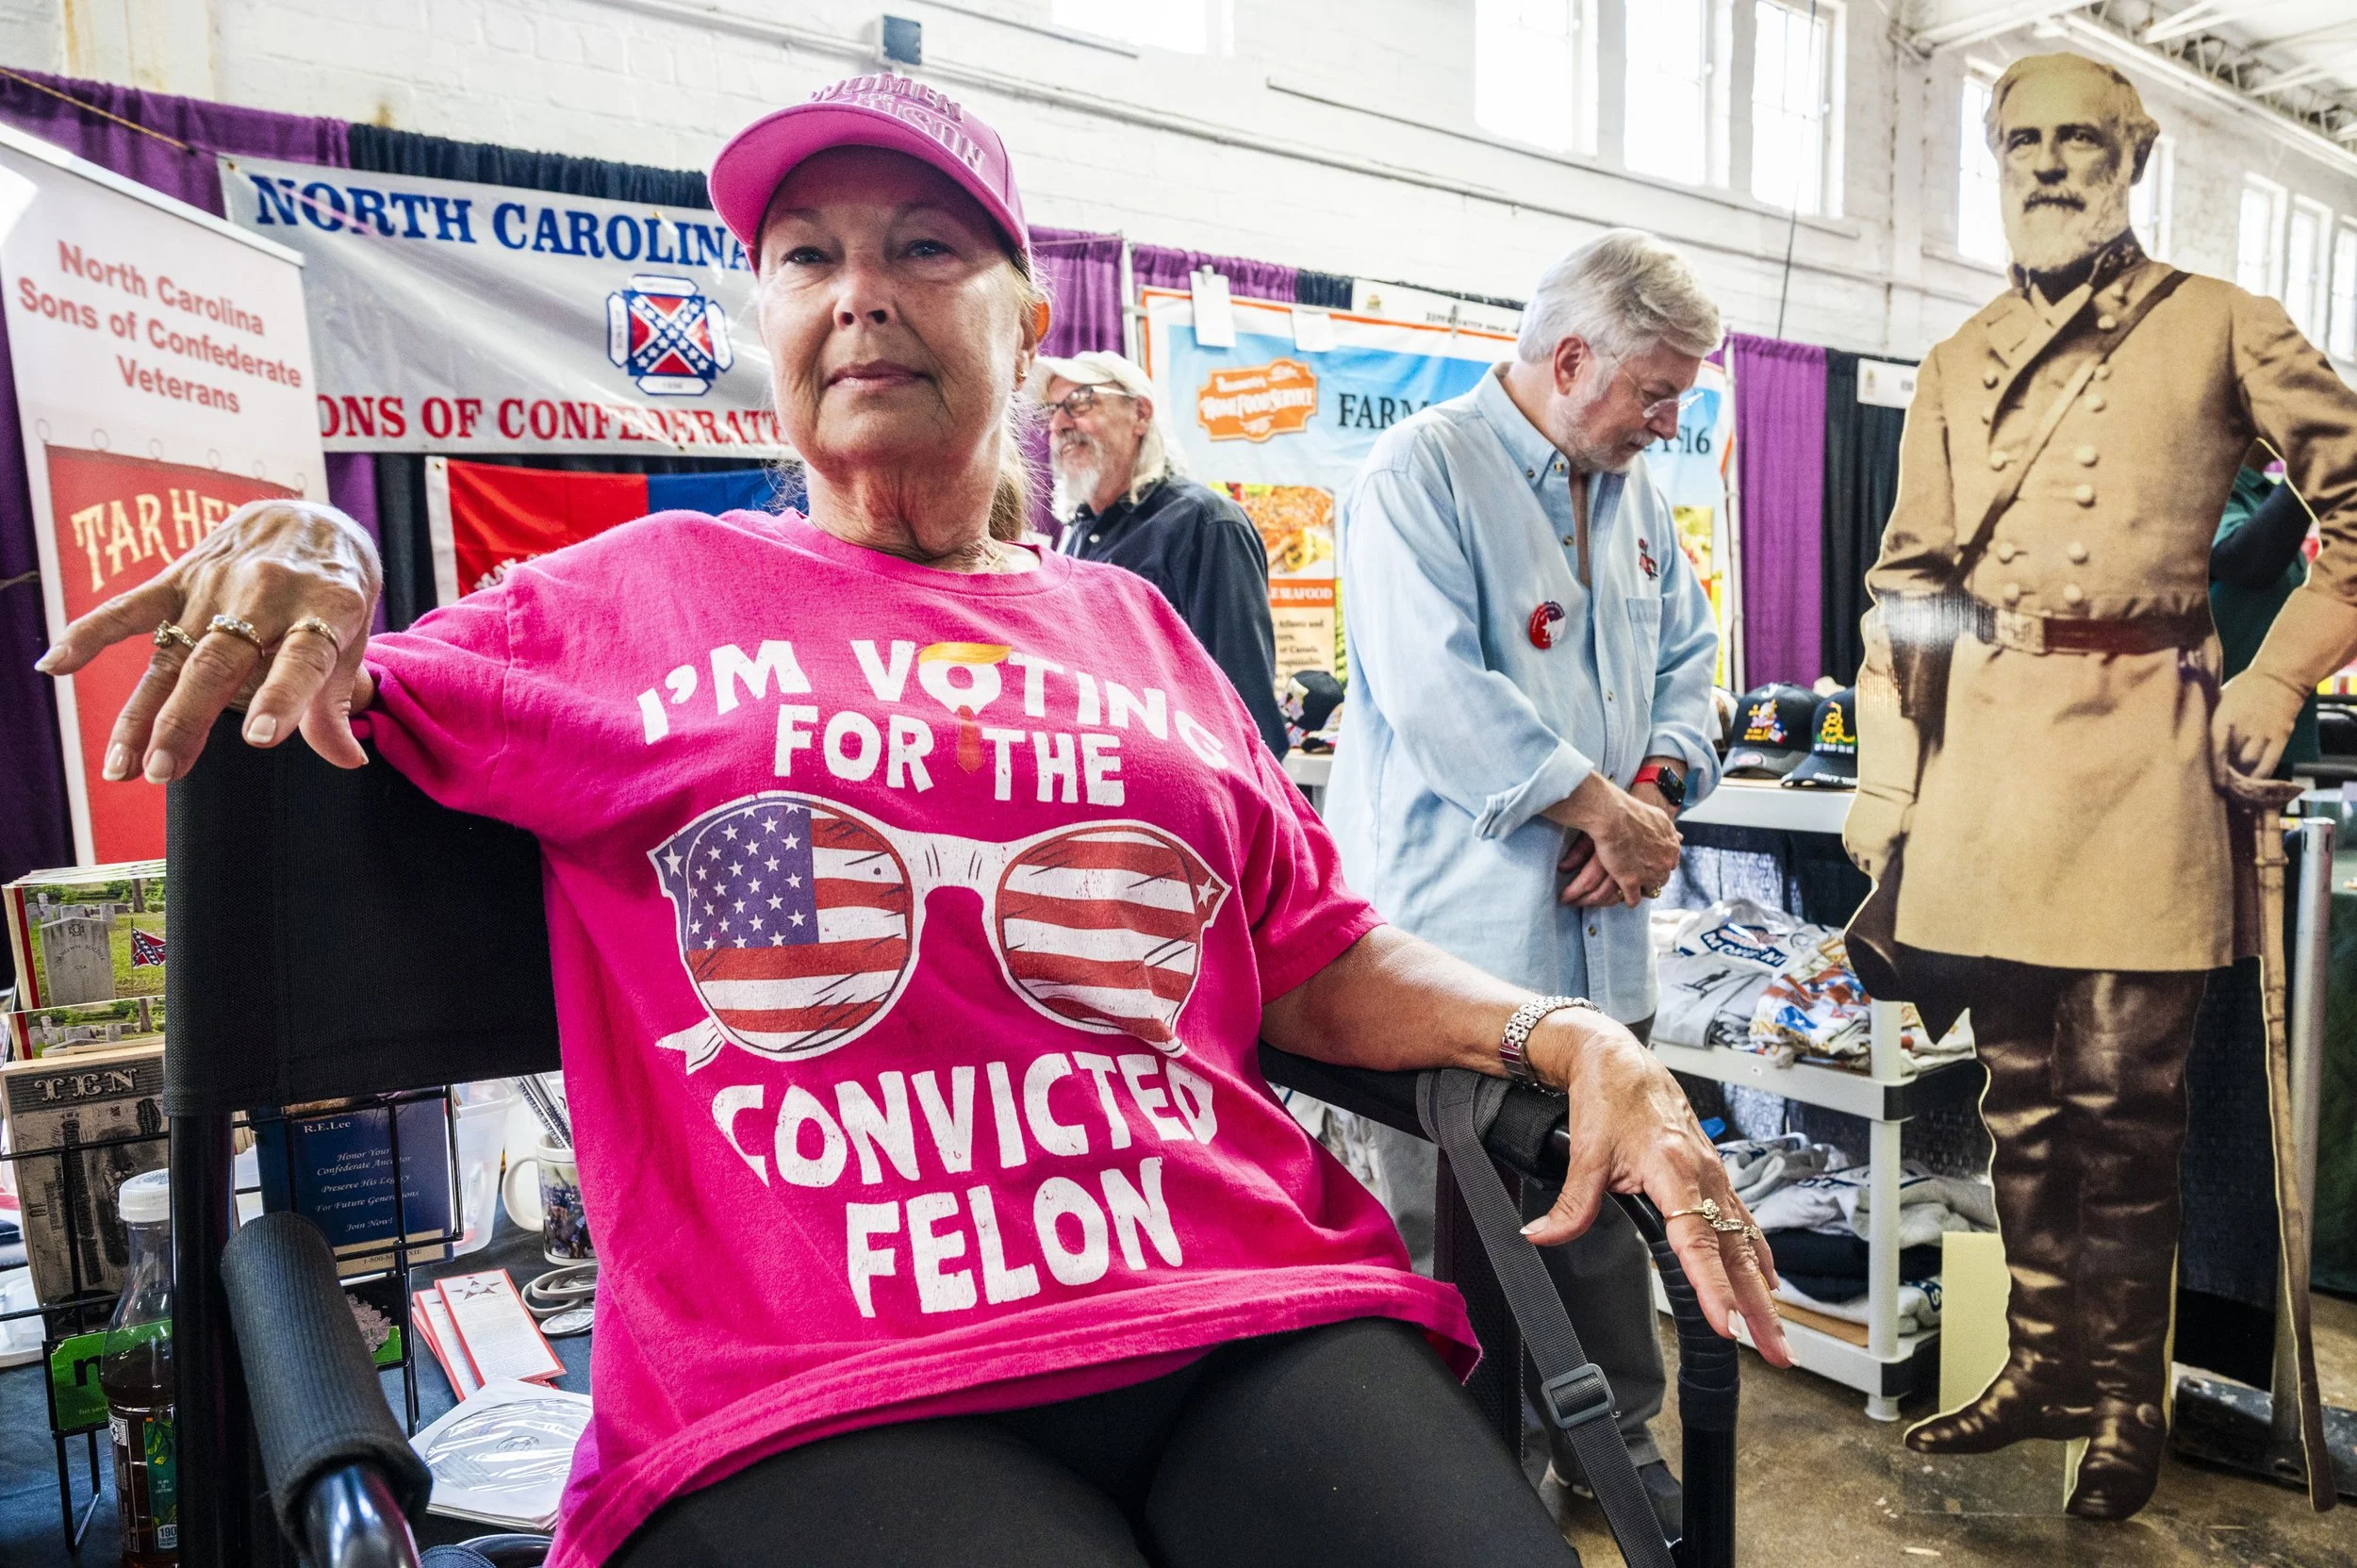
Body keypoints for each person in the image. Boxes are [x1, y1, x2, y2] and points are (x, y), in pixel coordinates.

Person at [39, 74, 1786, 1568]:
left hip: (1238, 1300)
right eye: (810, 257)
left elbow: (1307, 943)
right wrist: (321, 544)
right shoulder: (629, 598)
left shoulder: (1137, 626)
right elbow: (352, 683)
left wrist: (1560, 1031)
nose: (859, 293)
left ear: (1025, 322)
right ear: (768, 326)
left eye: (922, 249)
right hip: (813, 1369)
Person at [1847, 52, 2357, 1520]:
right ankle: (2048, 1359)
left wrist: (2277, 676)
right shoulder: (1953, 358)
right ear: (1994, 158)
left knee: (2124, 1101)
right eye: (2024, 139)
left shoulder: (2223, 326)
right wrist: (1898, 774)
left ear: (2135, 160)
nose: (2051, 162)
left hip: (2150, 741)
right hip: (1991, 761)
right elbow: (1909, 586)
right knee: (2014, 1093)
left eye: (2083, 138)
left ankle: (2130, 1388)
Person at [1324, 229, 1726, 1532]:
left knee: (1605, 1201)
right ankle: (1459, 1475)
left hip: (1602, 941)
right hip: (1459, 940)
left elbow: (1688, 663)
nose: (1670, 423)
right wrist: (1598, 805)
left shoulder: (1638, 497)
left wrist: (1655, 792)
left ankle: (1610, 1438)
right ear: (1569, 359)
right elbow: (1439, 691)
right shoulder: (1419, 471)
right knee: (1450, 1221)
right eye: (1657, 392)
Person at [1031, 350, 1291, 756]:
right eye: (1052, 411)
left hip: (1180, 795)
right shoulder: (1077, 534)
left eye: (1081, 401)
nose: (1060, 423)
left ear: (1140, 414)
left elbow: (1246, 705)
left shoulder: (1204, 523)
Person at [2210, 445, 2323, 772]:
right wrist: (2315, 460)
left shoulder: (2263, 495)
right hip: (2217, 729)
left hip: (2268, 727)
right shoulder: (2206, 485)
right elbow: (2245, 563)